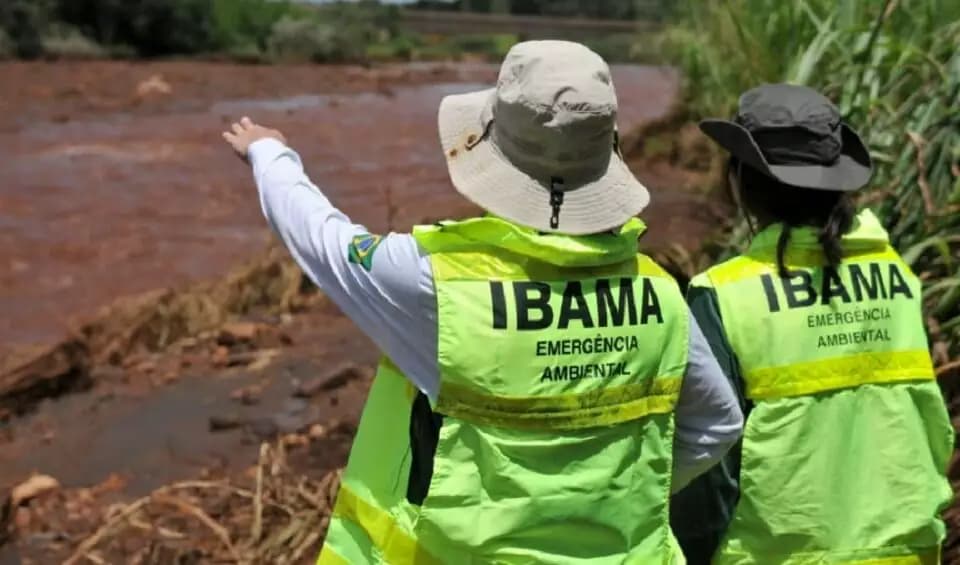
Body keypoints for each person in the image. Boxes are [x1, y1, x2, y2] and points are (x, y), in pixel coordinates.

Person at [223, 40, 743, 564]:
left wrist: (269, 152)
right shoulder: (659, 293)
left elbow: (321, 239)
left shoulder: (435, 286)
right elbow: (717, 424)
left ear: (492, 147)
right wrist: (607, 504)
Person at [671, 83, 953, 564]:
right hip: (906, 549)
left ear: (742, 181)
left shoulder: (723, 295)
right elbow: (927, 423)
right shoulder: (898, 279)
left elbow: (710, 465)